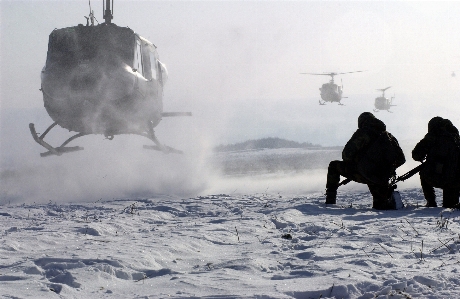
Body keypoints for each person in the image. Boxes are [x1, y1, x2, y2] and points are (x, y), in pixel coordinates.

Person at [325, 112, 405, 209]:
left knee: (333, 166)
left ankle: (330, 200)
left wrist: (359, 162)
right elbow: (401, 159)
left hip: (365, 173)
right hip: (383, 177)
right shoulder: (389, 136)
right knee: (380, 205)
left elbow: (346, 155)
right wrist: (386, 169)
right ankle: (386, 201)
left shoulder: (363, 133)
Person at [412, 117, 460, 208]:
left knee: (423, 172)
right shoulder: (457, 139)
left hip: (439, 178)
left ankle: (431, 202)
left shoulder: (433, 137)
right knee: (450, 207)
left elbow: (416, 155)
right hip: (455, 182)